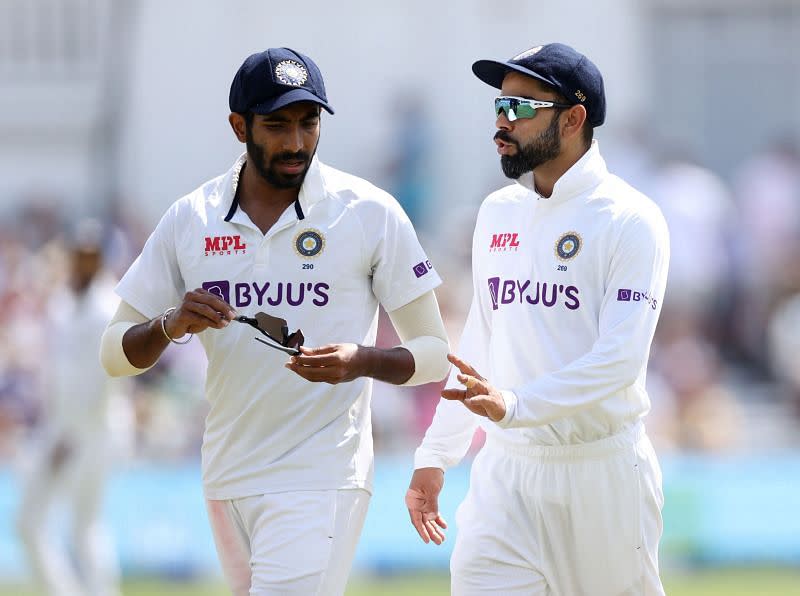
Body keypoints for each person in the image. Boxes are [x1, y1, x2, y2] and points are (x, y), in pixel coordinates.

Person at [99, 47, 449, 596]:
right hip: (227, 472)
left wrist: (360, 361)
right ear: (239, 126)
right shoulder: (192, 217)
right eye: (277, 125)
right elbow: (114, 353)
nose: (295, 142)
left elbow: (433, 354)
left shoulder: (368, 212)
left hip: (321, 474)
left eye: (308, 124)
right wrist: (170, 324)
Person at [406, 43, 670, 595]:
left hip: (600, 474)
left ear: (574, 118)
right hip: (506, 473)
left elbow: (619, 361)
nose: (504, 120)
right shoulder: (497, 211)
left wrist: (516, 405)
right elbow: (478, 340)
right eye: (500, 106)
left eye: (523, 108)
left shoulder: (630, 219)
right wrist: (437, 453)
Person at [17, 219, 131, 596]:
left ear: (100, 259)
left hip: (93, 431)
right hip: (59, 426)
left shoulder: (107, 307)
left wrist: (72, 434)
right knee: (30, 522)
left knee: (85, 525)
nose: (84, 262)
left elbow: (106, 381)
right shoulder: (62, 303)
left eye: (91, 255)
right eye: (78, 255)